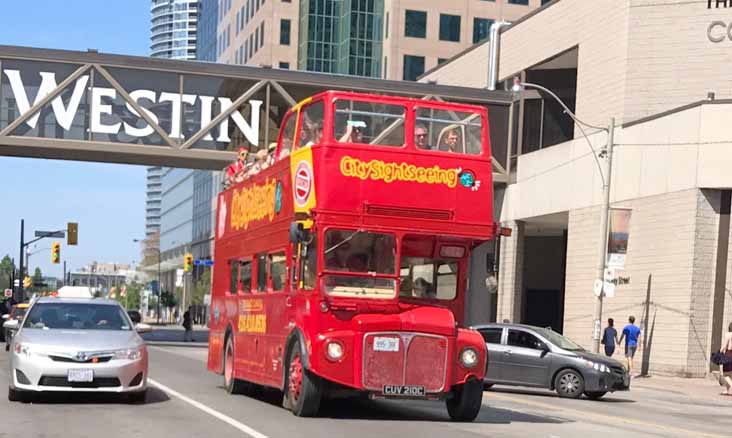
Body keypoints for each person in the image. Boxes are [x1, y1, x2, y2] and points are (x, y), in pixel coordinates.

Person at [720, 322, 732, 395]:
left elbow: (724, 345)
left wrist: (720, 352)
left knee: (725, 374)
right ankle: (727, 390)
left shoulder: (728, 334)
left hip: (729, 354)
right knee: (730, 373)